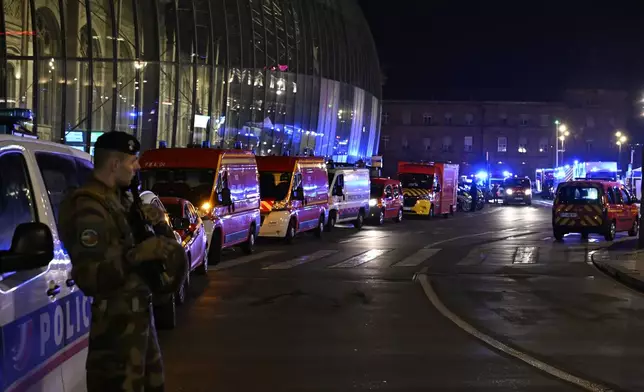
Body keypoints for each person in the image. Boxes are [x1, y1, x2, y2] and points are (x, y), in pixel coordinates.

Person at [58, 131, 177, 392]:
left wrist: (154, 223)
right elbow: (91, 278)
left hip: (139, 323)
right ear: (114, 164)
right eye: (132, 161)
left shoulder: (119, 200)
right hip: (115, 332)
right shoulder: (88, 207)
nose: (137, 167)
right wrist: (138, 254)